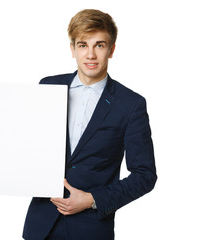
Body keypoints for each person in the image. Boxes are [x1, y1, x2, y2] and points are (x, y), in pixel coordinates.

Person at [22, 9, 157, 240]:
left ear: (111, 50)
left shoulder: (130, 104)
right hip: (40, 227)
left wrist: (92, 199)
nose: (91, 54)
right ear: (72, 49)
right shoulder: (47, 87)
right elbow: (20, 144)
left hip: (90, 230)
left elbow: (145, 175)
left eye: (100, 45)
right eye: (83, 45)